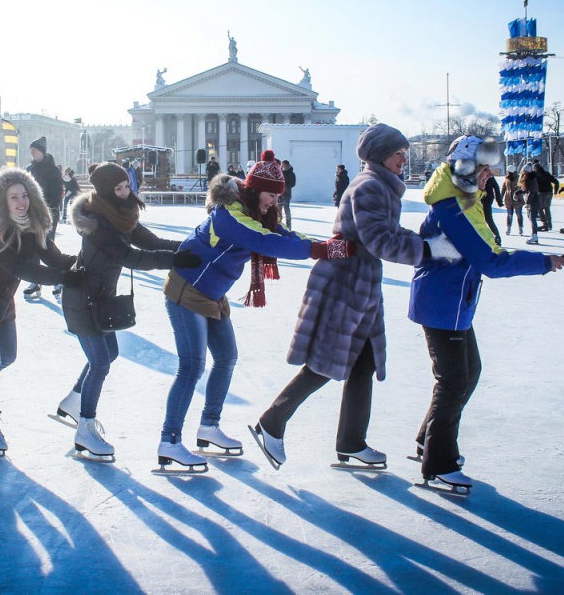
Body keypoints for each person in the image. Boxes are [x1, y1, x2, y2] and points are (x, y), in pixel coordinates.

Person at [254, 125, 460, 470]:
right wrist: (427, 249)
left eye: (404, 152)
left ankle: (351, 442)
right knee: (324, 362)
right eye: (398, 152)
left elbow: (385, 234)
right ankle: (271, 423)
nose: (403, 159)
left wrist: (425, 240)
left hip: (360, 283)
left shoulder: (380, 187)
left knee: (362, 363)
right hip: (345, 284)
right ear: (381, 154)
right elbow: (381, 241)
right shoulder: (369, 188)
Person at [158, 151, 355, 472]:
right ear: (253, 190)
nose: (274, 202)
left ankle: (208, 426)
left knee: (226, 358)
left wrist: (327, 244)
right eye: (270, 195)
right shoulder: (229, 216)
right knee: (191, 367)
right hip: (186, 290)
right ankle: (169, 441)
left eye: (279, 196)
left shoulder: (259, 214)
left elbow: (284, 235)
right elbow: (266, 242)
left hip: (212, 294)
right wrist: (321, 250)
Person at [408, 135, 564, 491]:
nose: (489, 175)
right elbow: (490, 262)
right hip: (443, 303)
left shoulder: (467, 201)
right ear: (465, 168)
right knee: (453, 382)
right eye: (483, 169)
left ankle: (428, 441)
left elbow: (489, 247)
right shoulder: (453, 208)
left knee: (469, 373)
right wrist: (542, 262)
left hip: (454, 302)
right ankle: (439, 462)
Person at [55, 162, 193, 462]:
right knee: (100, 362)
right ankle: (85, 430)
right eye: (118, 188)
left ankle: (74, 400)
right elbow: (131, 257)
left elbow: (152, 242)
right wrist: (177, 261)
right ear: (105, 190)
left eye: (126, 185)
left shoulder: (120, 214)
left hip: (100, 298)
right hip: (82, 297)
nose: (126, 192)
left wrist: (191, 247)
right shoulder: (98, 222)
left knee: (110, 354)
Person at [0, 168, 83, 455]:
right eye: (14, 197)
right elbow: (23, 269)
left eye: (24, 195)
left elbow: (55, 259)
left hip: (2, 298)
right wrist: (64, 278)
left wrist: (84, 263)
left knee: (8, 356)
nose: (21, 201)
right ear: (2, 201)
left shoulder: (33, 227)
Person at [22, 136, 65, 299]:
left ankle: (57, 278)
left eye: (34, 149)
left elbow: (56, 194)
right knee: (31, 248)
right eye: (30, 150)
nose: (31, 152)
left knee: (46, 247)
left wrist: (48, 212)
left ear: (41, 151)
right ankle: (35, 281)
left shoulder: (53, 170)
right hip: (30, 215)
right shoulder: (29, 169)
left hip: (47, 215)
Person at [531, 161, 559, 231]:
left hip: (541, 193)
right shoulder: (547, 174)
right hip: (549, 192)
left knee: (540, 209)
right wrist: (556, 190)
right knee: (547, 208)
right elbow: (556, 182)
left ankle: (544, 224)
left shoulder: (536, 175)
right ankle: (549, 224)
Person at [519, 163, 542, 244]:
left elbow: (531, 192)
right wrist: (518, 192)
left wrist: (528, 202)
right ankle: (534, 235)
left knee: (532, 218)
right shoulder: (530, 179)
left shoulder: (531, 180)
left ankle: (534, 235)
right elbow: (526, 190)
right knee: (531, 218)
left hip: (534, 202)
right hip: (533, 201)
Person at [480, 172, 503, 246]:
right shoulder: (489, 175)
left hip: (484, 199)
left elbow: (496, 187)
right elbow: (496, 187)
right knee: (487, 219)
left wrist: (499, 200)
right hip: (485, 198)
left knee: (486, 219)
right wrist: (499, 200)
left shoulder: (480, 174)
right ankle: (496, 236)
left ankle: (496, 236)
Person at [501, 165, 524, 236]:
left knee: (519, 214)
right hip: (508, 199)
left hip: (517, 199)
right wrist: (500, 197)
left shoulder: (519, 178)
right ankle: (508, 228)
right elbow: (503, 188)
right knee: (509, 215)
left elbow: (522, 188)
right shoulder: (506, 178)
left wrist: (519, 196)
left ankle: (520, 228)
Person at [279, 159, 296, 230]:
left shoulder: (291, 173)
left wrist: (286, 186)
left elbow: (293, 183)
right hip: (279, 194)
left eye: (284, 165)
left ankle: (288, 226)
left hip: (287, 194)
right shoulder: (280, 172)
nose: (282, 166)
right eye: (282, 165)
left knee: (286, 210)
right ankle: (278, 224)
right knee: (278, 210)